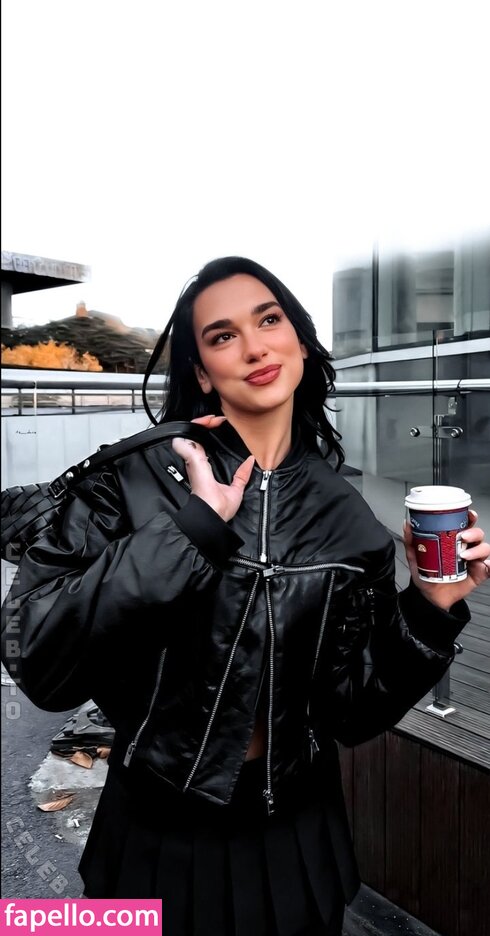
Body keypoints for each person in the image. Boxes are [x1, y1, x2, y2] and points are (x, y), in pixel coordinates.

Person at [2, 256, 489, 936]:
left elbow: (351, 712)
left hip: (296, 837)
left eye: (269, 320)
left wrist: (430, 613)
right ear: (202, 372)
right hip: (151, 832)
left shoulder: (349, 521)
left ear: (300, 343)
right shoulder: (132, 479)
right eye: (223, 335)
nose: (255, 347)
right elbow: (40, 660)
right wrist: (191, 531)